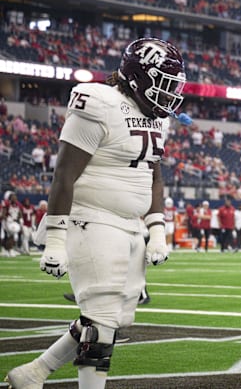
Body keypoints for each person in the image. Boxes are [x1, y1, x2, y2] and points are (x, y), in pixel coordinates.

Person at [5, 37, 184, 389]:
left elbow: (154, 175)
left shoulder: (155, 118)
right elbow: (65, 174)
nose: (170, 94)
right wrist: (56, 236)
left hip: (130, 224)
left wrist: (158, 227)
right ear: (138, 77)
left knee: (118, 317)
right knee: (101, 319)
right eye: (163, 84)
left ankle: (34, 373)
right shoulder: (99, 102)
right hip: (91, 217)